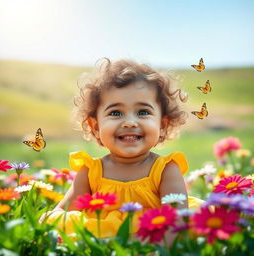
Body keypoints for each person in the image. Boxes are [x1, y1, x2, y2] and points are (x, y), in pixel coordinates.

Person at [41, 58, 203, 240]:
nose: (129, 122)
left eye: (143, 112)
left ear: (162, 124)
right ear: (95, 126)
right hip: (101, 237)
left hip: (152, 237)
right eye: (115, 113)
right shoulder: (90, 171)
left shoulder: (165, 170)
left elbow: (177, 221)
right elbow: (62, 213)